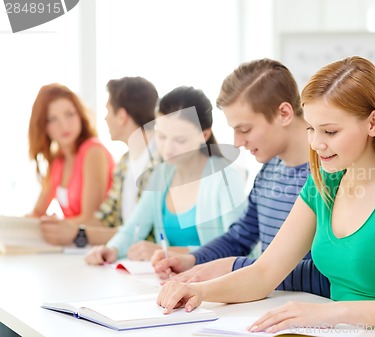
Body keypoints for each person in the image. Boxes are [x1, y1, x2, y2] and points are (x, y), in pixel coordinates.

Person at [156, 56, 375, 332]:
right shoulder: (322, 186)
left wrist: (335, 313)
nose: (316, 144)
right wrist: (202, 291)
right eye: (312, 130)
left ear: (373, 123)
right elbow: (264, 272)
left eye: (330, 132)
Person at [151, 58, 331, 298]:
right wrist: (192, 259)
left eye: (245, 130)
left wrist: (233, 267)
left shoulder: (329, 173)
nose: (237, 142)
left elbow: (329, 273)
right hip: (270, 306)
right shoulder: (269, 170)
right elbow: (241, 236)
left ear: (284, 113)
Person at [85, 86, 246, 264]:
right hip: (172, 281)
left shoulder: (226, 177)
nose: (168, 148)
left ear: (204, 135)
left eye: (179, 140)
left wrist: (168, 251)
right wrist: (111, 249)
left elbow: (238, 247)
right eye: (161, 136)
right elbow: (133, 228)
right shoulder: (161, 175)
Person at [38, 77, 160, 246]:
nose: (105, 119)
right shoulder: (125, 163)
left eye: (108, 111)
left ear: (122, 116)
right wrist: (63, 227)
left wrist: (78, 233)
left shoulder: (162, 160)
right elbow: (105, 218)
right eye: (53, 119)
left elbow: (145, 234)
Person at [28, 83, 114, 244]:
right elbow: (37, 212)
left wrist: (53, 226)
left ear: (80, 115)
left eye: (69, 114)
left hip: (100, 247)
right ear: (43, 126)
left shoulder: (93, 152)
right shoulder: (57, 162)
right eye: (52, 119)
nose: (64, 125)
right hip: (75, 249)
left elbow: (91, 219)